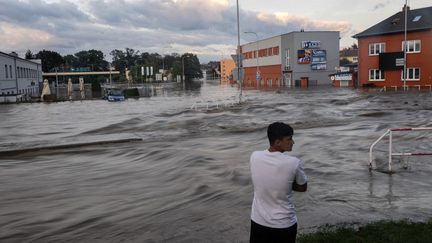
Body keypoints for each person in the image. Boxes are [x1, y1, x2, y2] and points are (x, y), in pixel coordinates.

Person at [249, 122, 308, 243]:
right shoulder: (293, 162)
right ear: (277, 142)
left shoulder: (254, 156)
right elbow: (303, 187)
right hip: (284, 224)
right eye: (289, 139)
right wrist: (285, 184)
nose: (293, 142)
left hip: (258, 221)